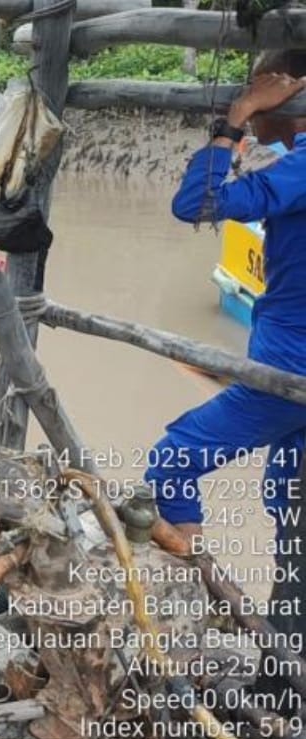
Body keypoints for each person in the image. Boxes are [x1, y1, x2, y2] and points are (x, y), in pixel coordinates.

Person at [143, 53, 306, 543]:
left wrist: (231, 124)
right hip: (286, 368)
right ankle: (285, 610)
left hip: (289, 371)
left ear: (288, 94)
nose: (251, 106)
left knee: (171, 463)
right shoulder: (290, 169)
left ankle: (204, 594)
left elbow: (197, 203)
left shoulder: (297, 171)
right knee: (288, 497)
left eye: (257, 93)